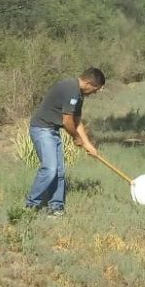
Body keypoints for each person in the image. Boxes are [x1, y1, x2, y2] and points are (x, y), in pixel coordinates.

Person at [24, 67, 105, 217]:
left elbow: (77, 121)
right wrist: (76, 137)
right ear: (88, 83)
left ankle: (56, 207)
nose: (95, 93)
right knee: (50, 169)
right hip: (42, 130)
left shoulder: (79, 95)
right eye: (95, 89)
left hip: (52, 130)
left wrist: (88, 145)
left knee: (59, 171)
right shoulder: (71, 89)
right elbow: (67, 122)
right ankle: (30, 205)